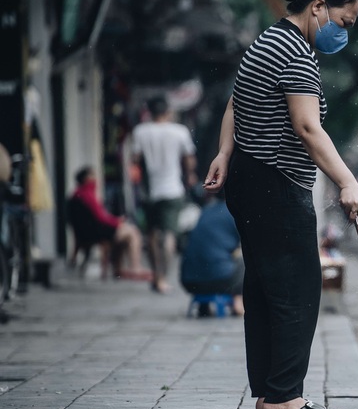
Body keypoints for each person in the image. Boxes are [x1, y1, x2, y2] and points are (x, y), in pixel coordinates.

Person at [203, 0, 358, 409]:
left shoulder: (268, 41)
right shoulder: (295, 52)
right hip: (274, 182)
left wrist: (224, 153)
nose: (343, 33)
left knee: (264, 287)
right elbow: (308, 127)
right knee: (296, 288)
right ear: (317, 8)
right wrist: (347, 181)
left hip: (250, 178)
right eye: (344, 22)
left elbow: (237, 102)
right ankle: (283, 397)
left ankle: (271, 392)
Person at [132, 96, 197, 294]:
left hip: (150, 191)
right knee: (169, 234)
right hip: (172, 189)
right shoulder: (179, 131)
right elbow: (189, 160)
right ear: (168, 112)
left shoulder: (141, 131)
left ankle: (155, 275)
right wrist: (190, 176)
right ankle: (163, 277)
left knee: (152, 233)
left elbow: (135, 159)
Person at [68, 167, 151, 280]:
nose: (96, 179)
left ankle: (118, 268)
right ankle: (135, 267)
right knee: (132, 232)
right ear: (87, 178)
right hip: (98, 232)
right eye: (93, 175)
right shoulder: (87, 194)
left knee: (125, 232)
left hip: (89, 231)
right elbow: (100, 216)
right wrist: (118, 221)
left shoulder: (78, 194)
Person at [180, 191, 244, 317]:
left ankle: (203, 307)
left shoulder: (207, 210)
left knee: (212, 258)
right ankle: (239, 300)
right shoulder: (234, 211)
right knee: (246, 261)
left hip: (189, 281)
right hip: (219, 279)